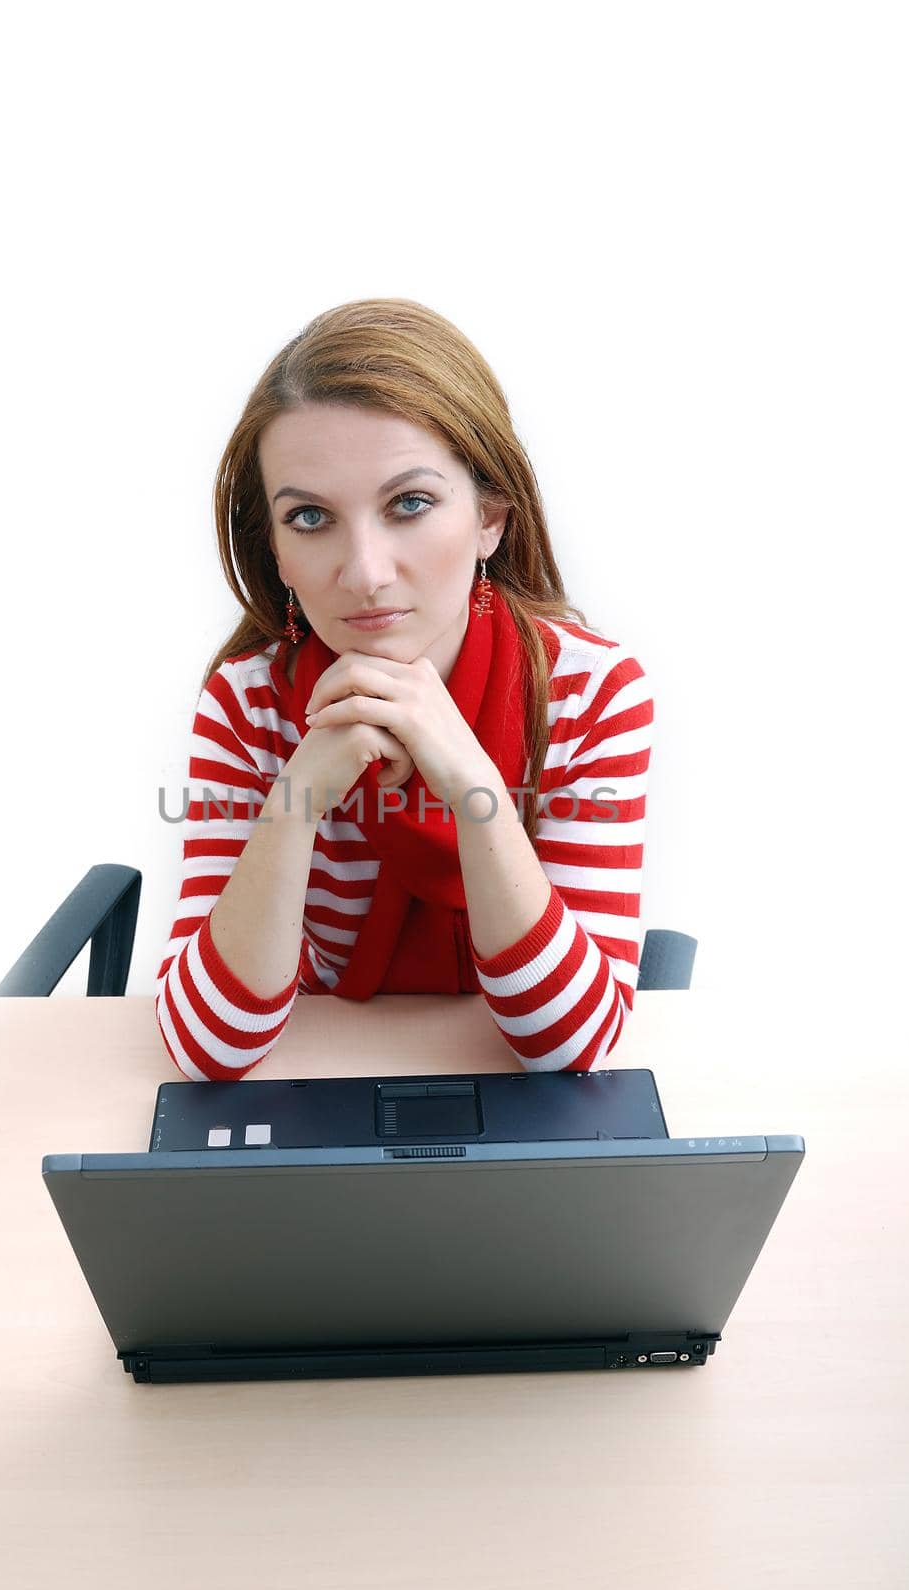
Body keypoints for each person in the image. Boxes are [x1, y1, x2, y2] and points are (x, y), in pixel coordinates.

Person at [155, 298, 654, 1081]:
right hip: (321, 1083)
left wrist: (470, 785)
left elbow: (572, 1048)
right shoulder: (246, 703)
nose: (365, 573)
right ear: (277, 553)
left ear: (490, 517)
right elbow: (208, 1049)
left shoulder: (592, 692)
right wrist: (302, 794)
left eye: (409, 504)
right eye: (311, 517)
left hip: (513, 1105)